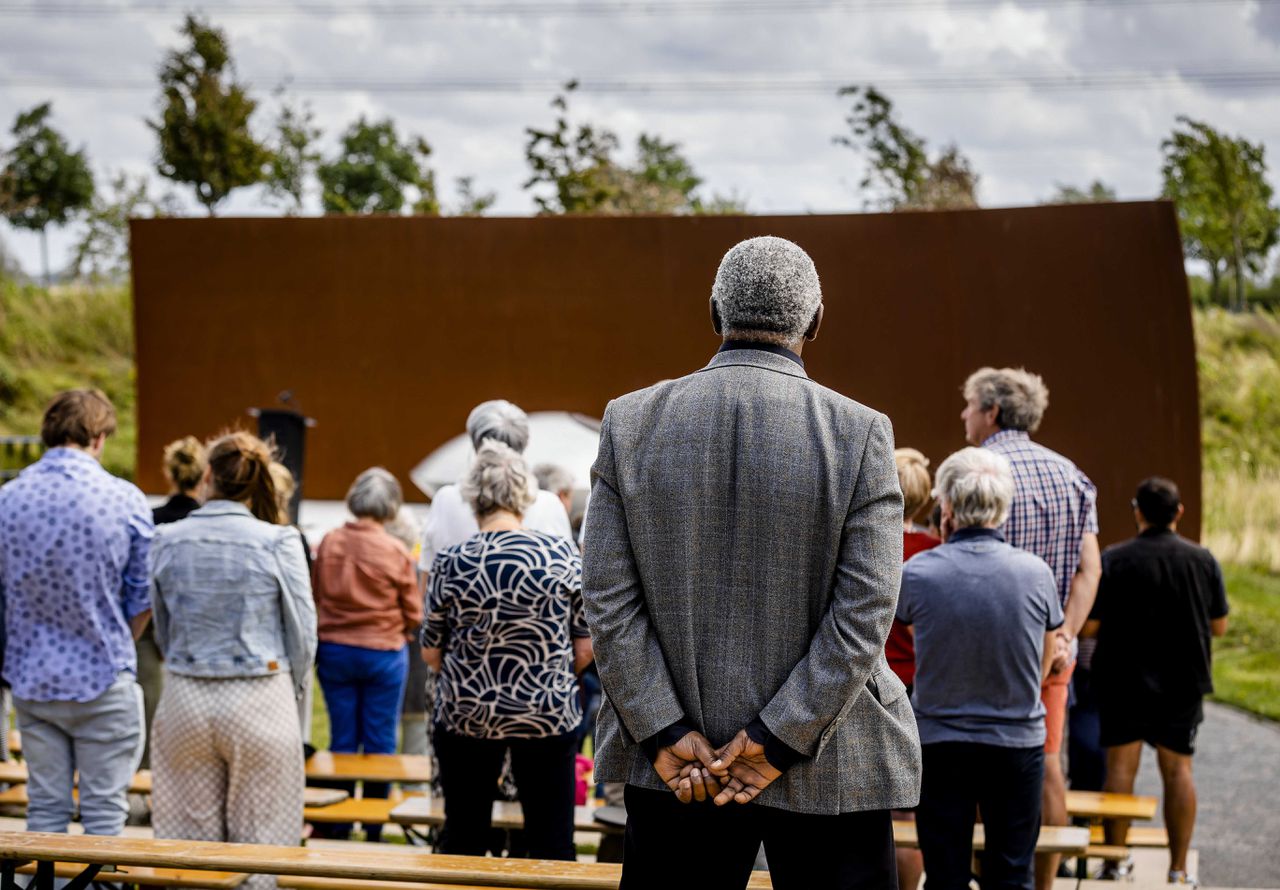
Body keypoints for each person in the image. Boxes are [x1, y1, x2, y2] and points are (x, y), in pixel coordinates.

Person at [583, 236, 918, 890]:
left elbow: (607, 603)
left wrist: (662, 731)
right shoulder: (861, 431)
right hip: (831, 760)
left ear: (714, 312)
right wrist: (777, 736)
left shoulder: (630, 422)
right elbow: (865, 614)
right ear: (815, 321)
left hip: (681, 766)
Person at [149, 431, 316, 889]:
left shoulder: (166, 539)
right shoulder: (279, 540)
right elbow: (303, 633)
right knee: (261, 851)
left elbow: (161, 626)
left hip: (186, 693)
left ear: (207, 476)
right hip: (260, 694)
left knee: (187, 854)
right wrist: (292, 687)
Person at [897, 447, 1063, 890]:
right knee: (1011, 873)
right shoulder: (1036, 573)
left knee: (946, 874)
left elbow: (908, 637)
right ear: (1002, 508)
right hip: (1017, 742)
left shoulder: (918, 573)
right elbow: (1045, 660)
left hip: (941, 743)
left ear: (946, 507)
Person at [962, 366, 1101, 890]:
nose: (964, 415)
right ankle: (1043, 883)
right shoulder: (1072, 476)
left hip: (982, 653)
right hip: (1049, 654)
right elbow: (1091, 568)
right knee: (1045, 764)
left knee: (975, 767)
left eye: (970, 406)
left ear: (992, 412)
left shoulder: (974, 471)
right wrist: (1065, 633)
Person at [423, 440, 592, 861]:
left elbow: (431, 652)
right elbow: (586, 647)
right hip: (547, 713)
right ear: (524, 497)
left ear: (471, 498)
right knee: (552, 841)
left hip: (468, 713)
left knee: (462, 837)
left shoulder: (452, 560)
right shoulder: (561, 554)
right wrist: (549, 673)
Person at [0, 389, 152, 836]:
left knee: (44, 811)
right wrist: (118, 634)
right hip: (103, 673)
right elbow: (142, 598)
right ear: (99, 437)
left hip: (33, 677)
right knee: (105, 814)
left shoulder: (8, 499)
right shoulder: (124, 498)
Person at [1085, 478, 1228, 887]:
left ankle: (1115, 862)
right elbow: (1219, 626)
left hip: (1122, 681)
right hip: (1183, 682)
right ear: (1179, 512)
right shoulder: (1203, 559)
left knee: (1120, 772)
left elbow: (1091, 625)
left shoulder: (1115, 559)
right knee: (1179, 771)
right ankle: (1178, 869)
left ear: (1137, 511)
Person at [311, 468, 420, 840]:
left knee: (342, 737)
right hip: (384, 654)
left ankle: (337, 823)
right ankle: (373, 826)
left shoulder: (329, 542)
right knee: (380, 740)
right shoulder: (395, 550)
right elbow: (414, 612)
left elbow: (316, 593)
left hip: (335, 651)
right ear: (391, 505)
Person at [419, 400, 572, 575]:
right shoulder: (550, 505)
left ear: (476, 443)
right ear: (524, 444)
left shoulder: (445, 500)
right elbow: (566, 575)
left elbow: (428, 579)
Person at [138, 436, 209, 772]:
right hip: (194, 634)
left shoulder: (148, 519)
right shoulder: (206, 524)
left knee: (148, 718)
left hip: (147, 631)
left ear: (170, 473)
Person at [887, 447, 940, 890]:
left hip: (875, 684)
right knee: (910, 804)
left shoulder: (871, 544)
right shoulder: (935, 551)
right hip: (923, 685)